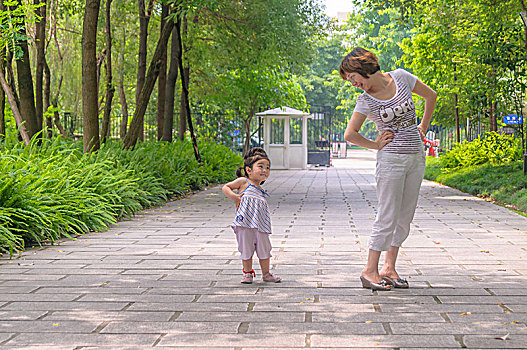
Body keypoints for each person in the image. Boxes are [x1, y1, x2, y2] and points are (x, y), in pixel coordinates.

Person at [339, 47, 437, 291]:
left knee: (404, 217)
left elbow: (431, 96)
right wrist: (375, 145)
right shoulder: (366, 100)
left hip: (416, 157)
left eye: (353, 78)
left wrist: (422, 128)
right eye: (350, 81)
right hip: (391, 161)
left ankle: (389, 269)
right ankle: (369, 271)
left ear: (362, 67)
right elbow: (350, 134)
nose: (353, 84)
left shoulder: (401, 77)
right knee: (387, 215)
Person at [222, 147, 282, 284]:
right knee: (246, 248)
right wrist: (235, 197)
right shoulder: (244, 182)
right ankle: (247, 273)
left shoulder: (260, 189)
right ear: (248, 170)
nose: (265, 170)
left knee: (264, 248)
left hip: (260, 224)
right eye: (260, 166)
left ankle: (266, 273)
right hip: (244, 224)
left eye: (267, 167)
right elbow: (225, 187)